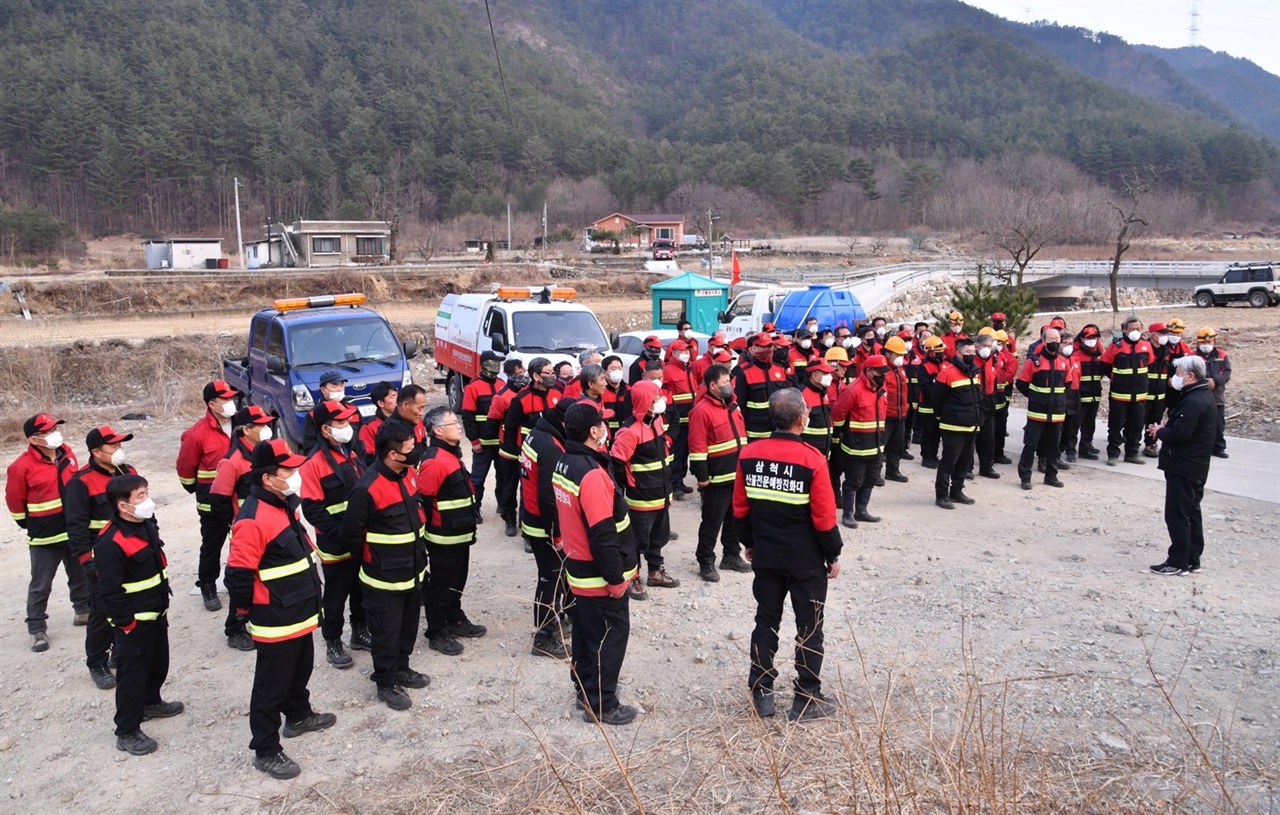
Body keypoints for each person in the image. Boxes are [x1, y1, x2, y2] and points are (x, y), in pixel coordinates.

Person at [226, 439, 334, 780]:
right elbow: (238, 575)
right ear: (268, 478)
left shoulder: (283, 505)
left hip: (299, 611)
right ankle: (266, 748)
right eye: (288, 470)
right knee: (270, 685)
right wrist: (247, 613)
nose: (296, 474)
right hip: (275, 617)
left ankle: (299, 715)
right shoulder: (252, 518)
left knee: (300, 669)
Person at [734, 388, 842, 722]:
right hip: (805, 560)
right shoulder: (812, 459)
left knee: (765, 621)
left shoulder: (750, 454)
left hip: (766, 554)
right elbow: (824, 517)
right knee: (809, 627)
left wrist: (748, 543)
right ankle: (807, 698)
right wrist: (833, 555)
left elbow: (740, 508)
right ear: (800, 419)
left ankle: (761, 692)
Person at [554, 402, 640, 726]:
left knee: (587, 634)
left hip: (578, 568)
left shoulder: (565, 462)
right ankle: (602, 703)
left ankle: (584, 689)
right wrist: (616, 579)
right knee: (610, 636)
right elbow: (603, 533)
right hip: (600, 576)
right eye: (601, 423)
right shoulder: (590, 474)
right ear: (593, 431)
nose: (605, 427)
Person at [337, 420, 430, 712]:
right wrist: (375, 560)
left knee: (407, 628)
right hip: (383, 580)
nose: (416, 451)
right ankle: (386, 682)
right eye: (410, 449)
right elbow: (350, 535)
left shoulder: (407, 474)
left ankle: (402, 668)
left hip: (413, 573)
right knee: (386, 634)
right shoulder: (366, 488)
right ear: (393, 455)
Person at [95, 474, 184, 756]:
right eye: (141, 496)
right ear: (124, 506)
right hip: (134, 622)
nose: (148, 500)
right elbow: (109, 591)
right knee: (132, 676)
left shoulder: (145, 525)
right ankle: (127, 730)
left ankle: (151, 702)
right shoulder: (110, 542)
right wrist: (127, 624)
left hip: (156, 613)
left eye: (147, 492)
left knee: (158, 663)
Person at [64, 425, 138, 689]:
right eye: (113, 446)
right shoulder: (79, 483)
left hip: (131, 556)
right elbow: (75, 528)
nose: (119, 450)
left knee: (129, 605)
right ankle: (97, 662)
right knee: (101, 613)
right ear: (96, 452)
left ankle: (119, 651)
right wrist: (88, 562)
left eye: (120, 445)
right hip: (102, 559)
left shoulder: (129, 474)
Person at [7, 413, 87, 653]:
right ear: (34, 439)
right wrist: (32, 524)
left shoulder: (68, 455)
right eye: (48, 431)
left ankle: (83, 610)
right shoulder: (21, 467)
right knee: (41, 584)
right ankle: (36, 627)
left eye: (55, 428)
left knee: (80, 574)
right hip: (44, 538)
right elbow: (15, 502)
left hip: (72, 531)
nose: (55, 434)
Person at [299, 400, 370, 669]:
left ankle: (360, 633)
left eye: (347, 422)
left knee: (361, 590)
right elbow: (313, 510)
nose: (347, 427)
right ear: (326, 429)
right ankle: (333, 641)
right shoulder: (313, 463)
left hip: (358, 539)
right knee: (336, 596)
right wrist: (343, 535)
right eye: (340, 423)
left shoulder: (352, 454)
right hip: (336, 543)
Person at [209, 405, 276, 650]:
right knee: (243, 578)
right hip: (247, 531)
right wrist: (236, 524)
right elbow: (218, 500)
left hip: (269, 527)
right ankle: (235, 628)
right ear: (246, 430)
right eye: (261, 425)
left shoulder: (264, 454)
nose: (267, 429)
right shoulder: (232, 461)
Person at [418, 407, 484, 656]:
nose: (459, 426)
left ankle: (455, 618)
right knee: (442, 585)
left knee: (457, 581)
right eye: (453, 423)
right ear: (437, 431)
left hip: (459, 534)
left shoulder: (450, 454)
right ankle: (436, 631)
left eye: (457, 422)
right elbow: (424, 501)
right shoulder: (434, 460)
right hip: (443, 537)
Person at [1148, 356, 1217, 575]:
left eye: (1178, 373)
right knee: (1191, 512)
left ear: (1190, 376)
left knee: (1178, 515)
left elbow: (1180, 434)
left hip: (1184, 465)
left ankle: (1178, 562)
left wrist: (1159, 432)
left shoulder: (1194, 400)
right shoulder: (1201, 396)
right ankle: (1192, 559)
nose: (1175, 377)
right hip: (1195, 464)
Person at [610, 380, 680, 594]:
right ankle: (632, 578)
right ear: (645, 403)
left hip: (661, 494)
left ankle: (655, 572)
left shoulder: (656, 422)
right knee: (636, 541)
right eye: (656, 398)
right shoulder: (629, 431)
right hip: (641, 498)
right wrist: (627, 485)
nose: (661, 401)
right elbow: (617, 463)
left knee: (658, 537)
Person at [519, 397, 575, 659]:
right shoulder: (551, 447)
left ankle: (557, 620)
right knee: (550, 580)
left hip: (533, 519)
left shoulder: (538, 433)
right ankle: (544, 637)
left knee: (556, 576)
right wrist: (558, 533)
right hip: (544, 526)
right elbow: (548, 496)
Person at [176, 380, 239, 613]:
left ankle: (240, 580)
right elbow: (185, 471)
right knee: (212, 544)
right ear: (212, 404)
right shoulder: (196, 434)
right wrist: (200, 491)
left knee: (243, 540)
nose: (231, 403)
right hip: (211, 500)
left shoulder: (242, 425)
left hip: (240, 498)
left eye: (232, 398)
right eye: (225, 400)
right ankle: (208, 585)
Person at [688, 364, 751, 583]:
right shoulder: (701, 411)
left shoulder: (732, 406)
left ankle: (731, 555)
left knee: (735, 519)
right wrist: (702, 477)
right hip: (716, 479)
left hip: (737, 476)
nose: (729, 386)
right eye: (725, 382)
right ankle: (705, 560)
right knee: (712, 522)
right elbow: (697, 447)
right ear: (712, 385)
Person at [832, 354, 888, 527]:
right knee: (853, 481)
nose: (883, 375)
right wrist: (841, 434)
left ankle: (862, 511)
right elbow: (838, 414)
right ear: (869, 371)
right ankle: (848, 514)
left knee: (870, 479)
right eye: (880, 372)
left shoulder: (881, 388)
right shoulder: (853, 389)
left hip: (876, 445)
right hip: (856, 446)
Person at [1015, 328, 1070, 491]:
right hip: (1037, 413)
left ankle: (1051, 476)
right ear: (1043, 341)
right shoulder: (1034, 361)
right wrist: (1035, 398)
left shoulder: (1063, 361)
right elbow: (1021, 383)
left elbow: (1067, 384)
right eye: (1051, 339)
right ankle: (1025, 477)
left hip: (1057, 413)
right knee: (1030, 446)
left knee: (1054, 447)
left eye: (1057, 338)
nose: (1055, 342)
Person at [933, 339, 981, 510]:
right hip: (953, 427)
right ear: (959, 354)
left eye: (973, 351)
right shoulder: (947, 373)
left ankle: (957, 491)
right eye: (968, 352)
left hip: (971, 425)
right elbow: (937, 400)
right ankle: (942, 495)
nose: (972, 355)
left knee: (965, 461)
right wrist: (943, 418)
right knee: (949, 462)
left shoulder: (975, 372)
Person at [1101, 317, 1155, 465]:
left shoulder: (1146, 346)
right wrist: (1116, 379)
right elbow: (1105, 364)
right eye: (1132, 329)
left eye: (1138, 328)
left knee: (1136, 425)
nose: (1135, 332)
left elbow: (1149, 363)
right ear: (1124, 330)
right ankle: (1113, 454)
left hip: (1139, 395)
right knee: (1115, 426)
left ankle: (1132, 453)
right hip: (1119, 395)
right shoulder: (1116, 346)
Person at [487, 359, 529, 536]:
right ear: (510, 375)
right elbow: (491, 424)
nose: (522, 376)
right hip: (509, 450)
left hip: (528, 449)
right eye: (519, 373)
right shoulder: (501, 397)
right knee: (508, 487)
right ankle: (509, 519)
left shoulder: (529, 393)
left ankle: (525, 522)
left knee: (528, 490)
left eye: (523, 372)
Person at [462, 351, 505, 514]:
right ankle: (475, 509)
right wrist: (474, 441)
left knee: (503, 478)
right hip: (483, 444)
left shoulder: (502, 384)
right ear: (486, 363)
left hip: (501, 444)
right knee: (478, 479)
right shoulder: (473, 387)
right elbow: (467, 417)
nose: (497, 366)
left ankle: (502, 505)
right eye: (495, 362)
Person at [734, 332, 790, 440]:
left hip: (778, 431)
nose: (768, 350)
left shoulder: (780, 370)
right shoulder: (745, 373)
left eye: (770, 346)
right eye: (763, 347)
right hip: (755, 433)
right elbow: (740, 405)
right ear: (754, 348)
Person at [663, 339, 696, 497]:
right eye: (682, 351)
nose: (686, 354)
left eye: (687, 351)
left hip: (689, 420)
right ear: (674, 353)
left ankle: (680, 481)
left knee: (685, 454)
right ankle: (674, 485)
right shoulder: (668, 370)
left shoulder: (688, 369)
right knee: (676, 454)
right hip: (678, 420)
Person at [302, 371, 363, 457]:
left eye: (341, 385)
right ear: (323, 390)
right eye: (335, 386)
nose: (339, 389)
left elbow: (363, 436)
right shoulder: (313, 415)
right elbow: (309, 446)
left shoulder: (353, 409)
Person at [1068, 324, 1105, 461]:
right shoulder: (1075, 355)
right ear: (1082, 339)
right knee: (1074, 426)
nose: (1092, 340)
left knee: (1090, 425)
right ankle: (1070, 450)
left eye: (1095, 337)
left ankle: (1085, 448)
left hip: (1094, 396)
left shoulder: (1099, 356)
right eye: (1089, 338)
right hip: (1080, 397)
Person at [1193, 327, 1231, 459]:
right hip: (1198, 396)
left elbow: (1227, 373)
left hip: (1216, 396)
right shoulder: (1192, 356)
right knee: (1198, 424)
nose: (1206, 345)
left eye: (1209, 342)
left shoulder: (1222, 355)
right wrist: (1203, 383)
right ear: (1198, 342)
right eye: (1203, 342)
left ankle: (1218, 447)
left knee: (1218, 424)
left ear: (1214, 342)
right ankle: (1200, 447)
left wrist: (1215, 381)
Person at [1142, 322, 1176, 457]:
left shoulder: (1166, 351)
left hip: (1160, 393)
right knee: (1137, 421)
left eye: (1166, 333)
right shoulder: (1144, 348)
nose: (1165, 336)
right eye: (1162, 333)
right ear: (1153, 335)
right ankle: (1131, 444)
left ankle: (1151, 444)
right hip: (1145, 392)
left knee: (1155, 420)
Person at [881, 337, 910, 482]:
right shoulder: (881, 370)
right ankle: (874, 474)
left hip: (900, 414)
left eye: (902, 355)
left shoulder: (900, 370)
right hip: (886, 415)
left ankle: (893, 471)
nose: (901, 358)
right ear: (888, 354)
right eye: (898, 354)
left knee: (897, 446)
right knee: (880, 447)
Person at [972, 333, 1000, 479]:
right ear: (977, 346)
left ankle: (986, 467)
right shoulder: (970, 362)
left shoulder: (992, 361)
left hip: (988, 402)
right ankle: (966, 468)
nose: (987, 349)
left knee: (988, 438)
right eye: (984, 346)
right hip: (974, 403)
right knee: (970, 438)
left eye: (989, 346)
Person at [916, 336, 946, 468]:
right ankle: (927, 457)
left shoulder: (946, 364)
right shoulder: (923, 367)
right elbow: (926, 387)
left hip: (941, 406)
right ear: (930, 351)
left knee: (937, 434)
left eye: (941, 351)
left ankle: (934, 455)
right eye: (938, 352)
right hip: (927, 407)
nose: (940, 354)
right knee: (928, 433)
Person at [991, 330, 1017, 465]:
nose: (998, 345)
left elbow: (1008, 376)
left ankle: (998, 454)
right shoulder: (990, 357)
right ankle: (988, 455)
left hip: (1002, 396)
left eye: (1001, 342)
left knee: (1000, 428)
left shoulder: (1008, 358)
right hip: (989, 397)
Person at [358, 381, 399, 465]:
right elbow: (369, 459)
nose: (397, 400)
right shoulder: (369, 428)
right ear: (381, 403)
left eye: (397, 395)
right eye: (393, 397)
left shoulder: (405, 419)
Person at [601, 355, 631, 440]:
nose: (617, 371)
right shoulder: (601, 392)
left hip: (627, 434)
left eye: (620, 368)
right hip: (608, 435)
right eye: (613, 368)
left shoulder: (629, 390)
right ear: (604, 372)